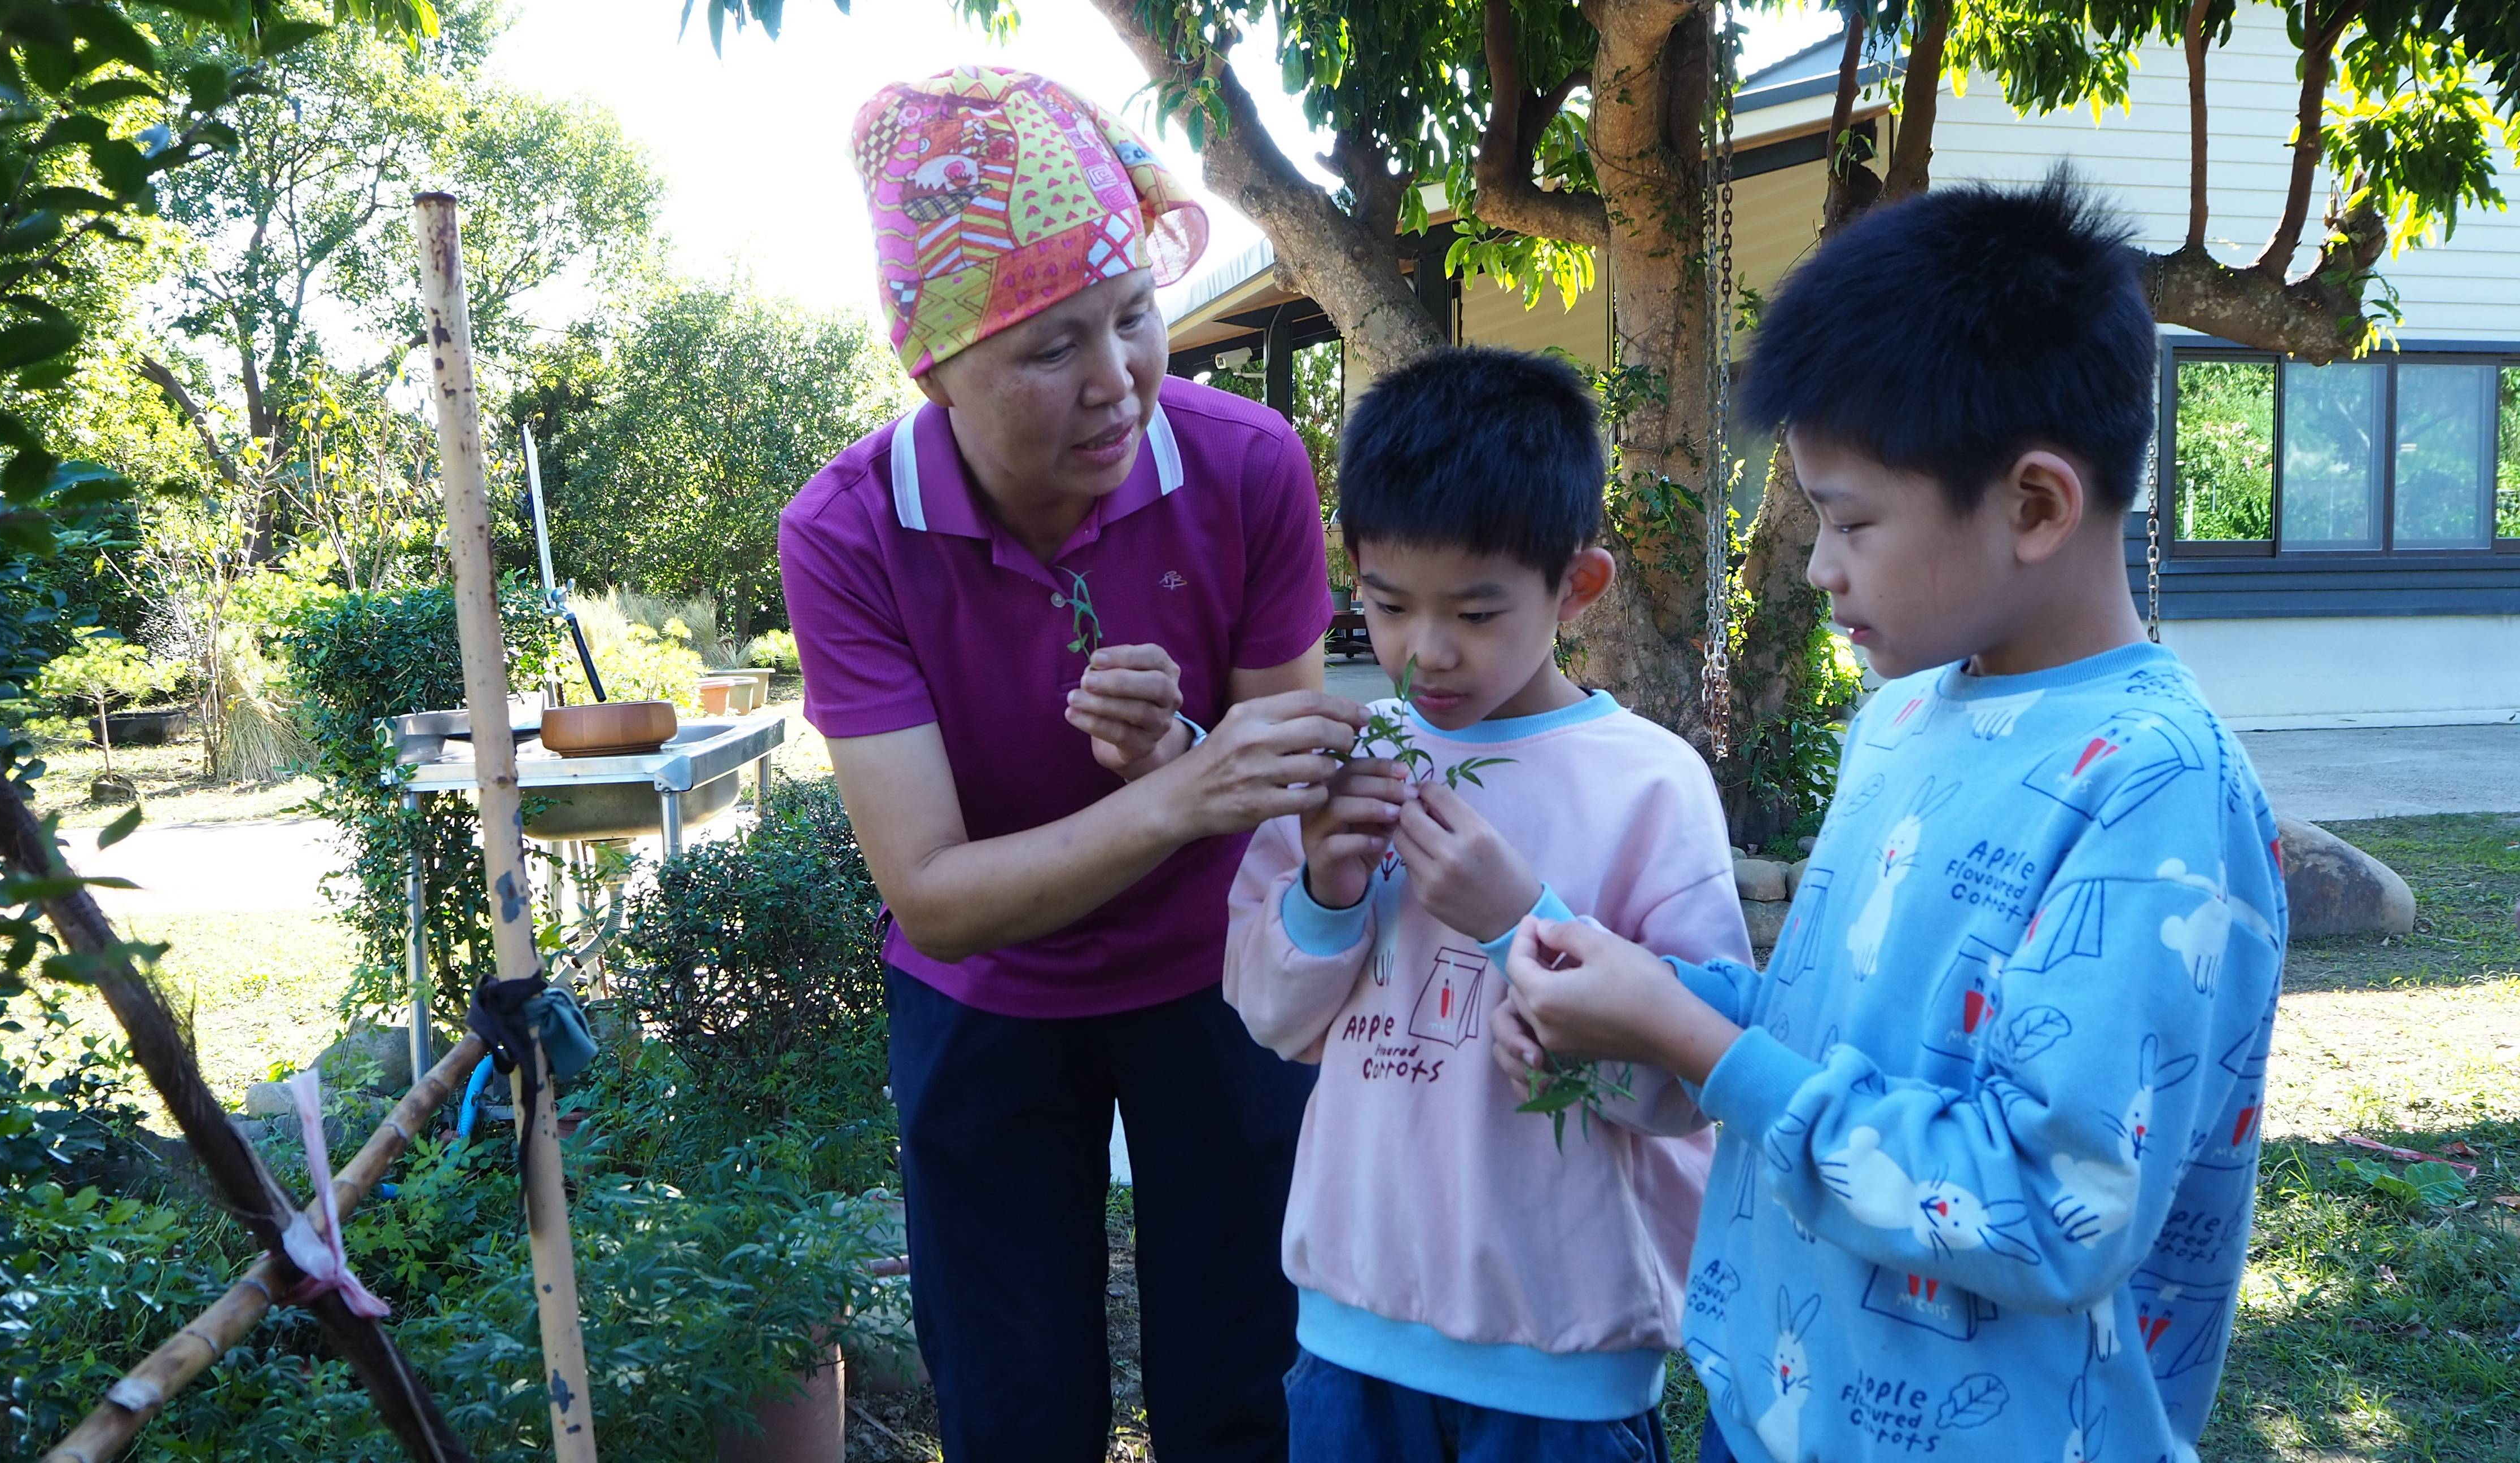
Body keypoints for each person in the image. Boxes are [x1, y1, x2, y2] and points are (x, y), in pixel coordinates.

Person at [1492, 173, 2288, 1463]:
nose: (1817, 564)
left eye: (1850, 519)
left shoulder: (2153, 787)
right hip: (1773, 1420)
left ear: (2034, 505)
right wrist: (1636, 1019)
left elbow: (2048, 1205)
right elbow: (1822, 1041)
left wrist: (1695, 1037)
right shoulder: (1905, 721)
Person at [781, 66, 1367, 1463]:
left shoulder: (1250, 465)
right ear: (933, 371)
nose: (1117, 386)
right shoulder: (849, 533)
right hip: (985, 1003)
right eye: (1049, 351)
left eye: (1134, 318)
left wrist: (1179, 758)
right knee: (1014, 1408)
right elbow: (934, 895)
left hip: (1221, 980)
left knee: (1245, 1392)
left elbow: (1273, 788)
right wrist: (1180, 789)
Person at [1224, 347, 1750, 1463]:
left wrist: (1521, 922)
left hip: (1564, 1359)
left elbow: (1690, 1089)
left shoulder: (1650, 787)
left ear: (1577, 585)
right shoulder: (1349, 759)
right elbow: (1272, 1018)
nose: (1428, 651)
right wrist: (1325, 886)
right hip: (1352, 1336)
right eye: (1389, 605)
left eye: (1475, 609)